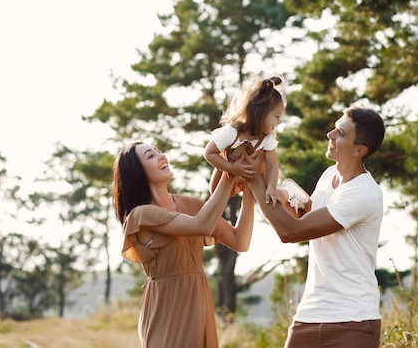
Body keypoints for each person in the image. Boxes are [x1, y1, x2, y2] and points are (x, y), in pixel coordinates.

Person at [244, 106, 386, 348]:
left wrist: (254, 180)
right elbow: (308, 211)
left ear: (359, 150)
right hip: (309, 316)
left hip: (353, 322)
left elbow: (292, 232)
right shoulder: (329, 175)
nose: (330, 135)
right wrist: (274, 187)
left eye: (340, 133)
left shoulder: (363, 193)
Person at [113, 141, 255, 348]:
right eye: (150, 156)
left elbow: (240, 241)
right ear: (136, 173)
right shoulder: (140, 215)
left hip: (198, 303)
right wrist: (228, 173)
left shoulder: (192, 204)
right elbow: (202, 225)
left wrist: (250, 190)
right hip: (167, 311)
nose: (161, 156)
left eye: (159, 151)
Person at [204, 75, 285, 204]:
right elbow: (209, 153)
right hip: (230, 170)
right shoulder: (232, 132)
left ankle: (252, 193)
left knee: (264, 167)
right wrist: (232, 168)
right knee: (215, 192)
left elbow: (272, 165)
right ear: (260, 114)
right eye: (277, 116)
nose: (280, 121)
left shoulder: (267, 138)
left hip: (253, 176)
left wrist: (272, 187)